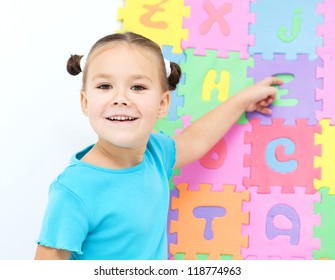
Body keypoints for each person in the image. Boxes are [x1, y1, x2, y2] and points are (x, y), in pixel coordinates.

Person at [34, 31, 283, 260]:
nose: (120, 99)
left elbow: (196, 140)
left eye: (138, 87)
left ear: (163, 103)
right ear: (85, 102)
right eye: (105, 86)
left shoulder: (155, 153)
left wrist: (244, 99)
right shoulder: (73, 191)